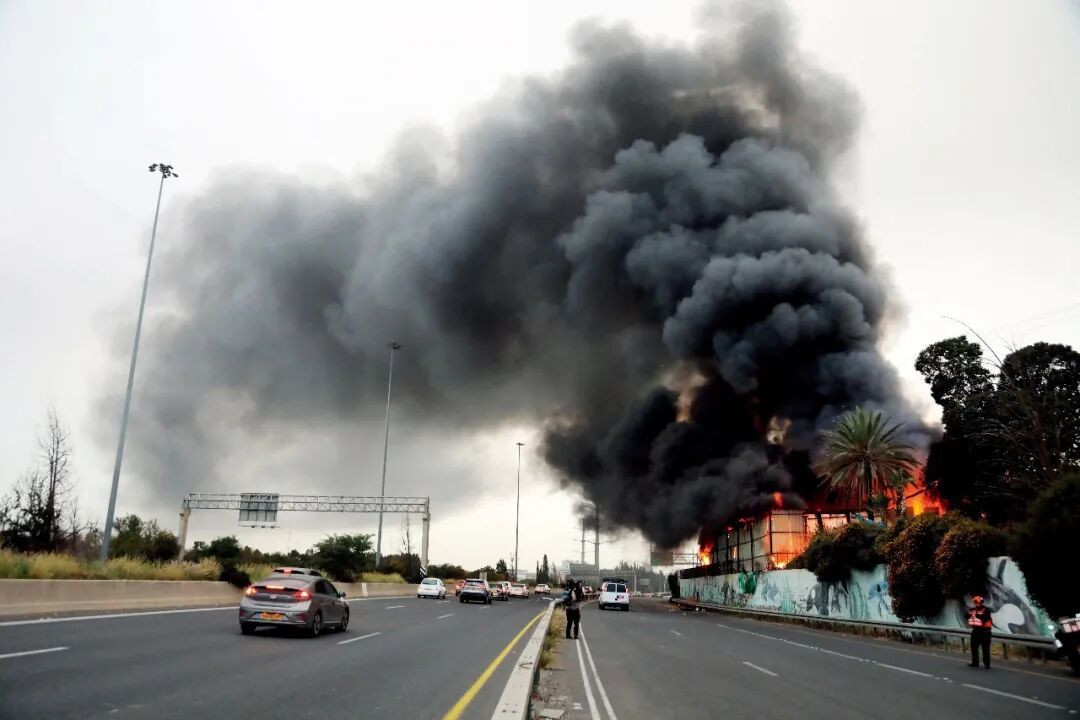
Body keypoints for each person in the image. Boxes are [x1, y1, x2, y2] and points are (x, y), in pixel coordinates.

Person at [967, 595, 993, 668]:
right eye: (975, 602)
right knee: (974, 647)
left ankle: (987, 664)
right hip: (975, 631)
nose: (977, 604)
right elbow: (966, 616)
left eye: (978, 602)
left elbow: (985, 618)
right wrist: (970, 613)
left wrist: (975, 615)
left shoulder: (986, 610)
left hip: (985, 632)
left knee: (985, 648)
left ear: (981, 602)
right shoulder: (972, 610)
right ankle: (975, 662)